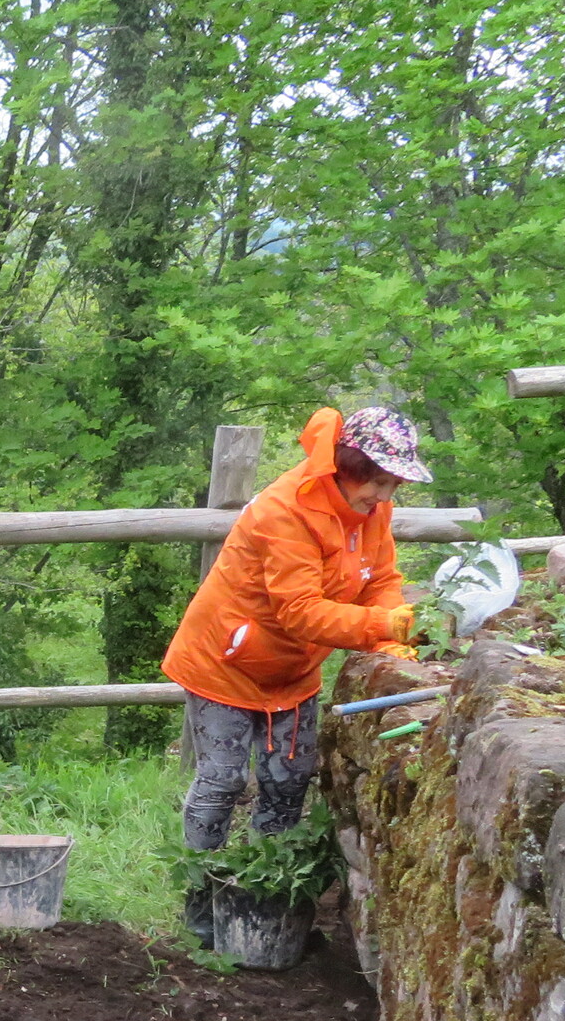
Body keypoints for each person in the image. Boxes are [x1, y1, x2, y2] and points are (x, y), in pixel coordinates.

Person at [161, 404, 428, 942]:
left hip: (294, 667)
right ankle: (200, 913)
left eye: (394, 485)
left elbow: (381, 579)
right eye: (380, 482)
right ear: (349, 466)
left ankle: (267, 907)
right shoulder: (286, 510)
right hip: (224, 660)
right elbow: (300, 611)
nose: (385, 496)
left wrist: (389, 636)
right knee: (222, 781)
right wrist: (384, 625)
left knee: (288, 783)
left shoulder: (371, 510)